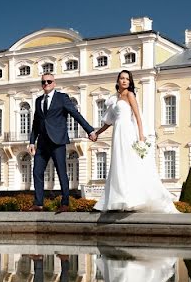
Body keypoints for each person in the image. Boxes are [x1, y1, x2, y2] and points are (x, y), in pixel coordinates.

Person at [92, 70, 179, 213]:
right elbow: (109, 121)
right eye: (122, 78)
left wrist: (141, 137)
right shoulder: (114, 98)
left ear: (130, 82)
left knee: (129, 163)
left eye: (127, 79)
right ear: (118, 80)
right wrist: (97, 133)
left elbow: (138, 117)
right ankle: (117, 200)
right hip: (117, 133)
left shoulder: (130, 95)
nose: (124, 81)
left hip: (128, 132)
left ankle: (130, 199)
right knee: (118, 163)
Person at [28, 73, 97, 212]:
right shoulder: (38, 100)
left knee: (61, 171)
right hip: (42, 143)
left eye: (49, 81)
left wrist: (90, 130)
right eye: (43, 82)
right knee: (36, 171)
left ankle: (65, 203)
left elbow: (75, 114)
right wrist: (31, 142)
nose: (46, 84)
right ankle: (38, 203)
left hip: (57, 140)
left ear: (54, 83)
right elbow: (36, 123)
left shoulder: (62, 98)